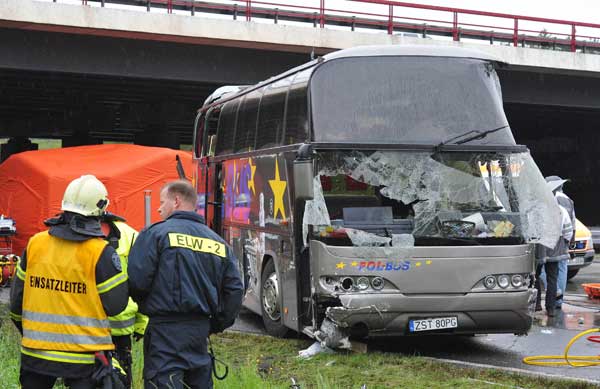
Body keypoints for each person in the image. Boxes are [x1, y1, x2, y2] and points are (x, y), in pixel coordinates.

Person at [9, 174, 129, 388]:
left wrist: (31, 335)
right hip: (84, 360)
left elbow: (17, 302)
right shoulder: (100, 252)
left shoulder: (35, 244)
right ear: (100, 209)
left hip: (36, 355)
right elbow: (116, 305)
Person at [128, 180, 244, 389]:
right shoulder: (218, 243)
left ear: (177, 201)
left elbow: (136, 281)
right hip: (199, 333)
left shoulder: (155, 234)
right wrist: (215, 324)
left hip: (164, 332)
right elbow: (234, 291)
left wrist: (149, 308)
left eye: (162, 202)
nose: (159, 207)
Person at [101, 211, 149, 389]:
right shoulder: (132, 235)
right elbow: (143, 283)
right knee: (121, 379)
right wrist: (142, 323)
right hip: (122, 326)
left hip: (86, 326)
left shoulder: (78, 232)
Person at [534, 178, 574, 317]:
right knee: (553, 279)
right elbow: (568, 231)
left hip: (539, 248)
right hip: (556, 248)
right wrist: (565, 243)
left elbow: (532, 229)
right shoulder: (561, 210)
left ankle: (536, 304)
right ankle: (550, 308)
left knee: (535, 276)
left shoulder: (536, 210)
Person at [545, 176, 576, 310]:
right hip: (562, 240)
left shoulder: (546, 198)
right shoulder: (568, 200)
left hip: (546, 241)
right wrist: (570, 241)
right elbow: (572, 223)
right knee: (561, 269)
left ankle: (554, 294)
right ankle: (558, 300)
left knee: (543, 270)